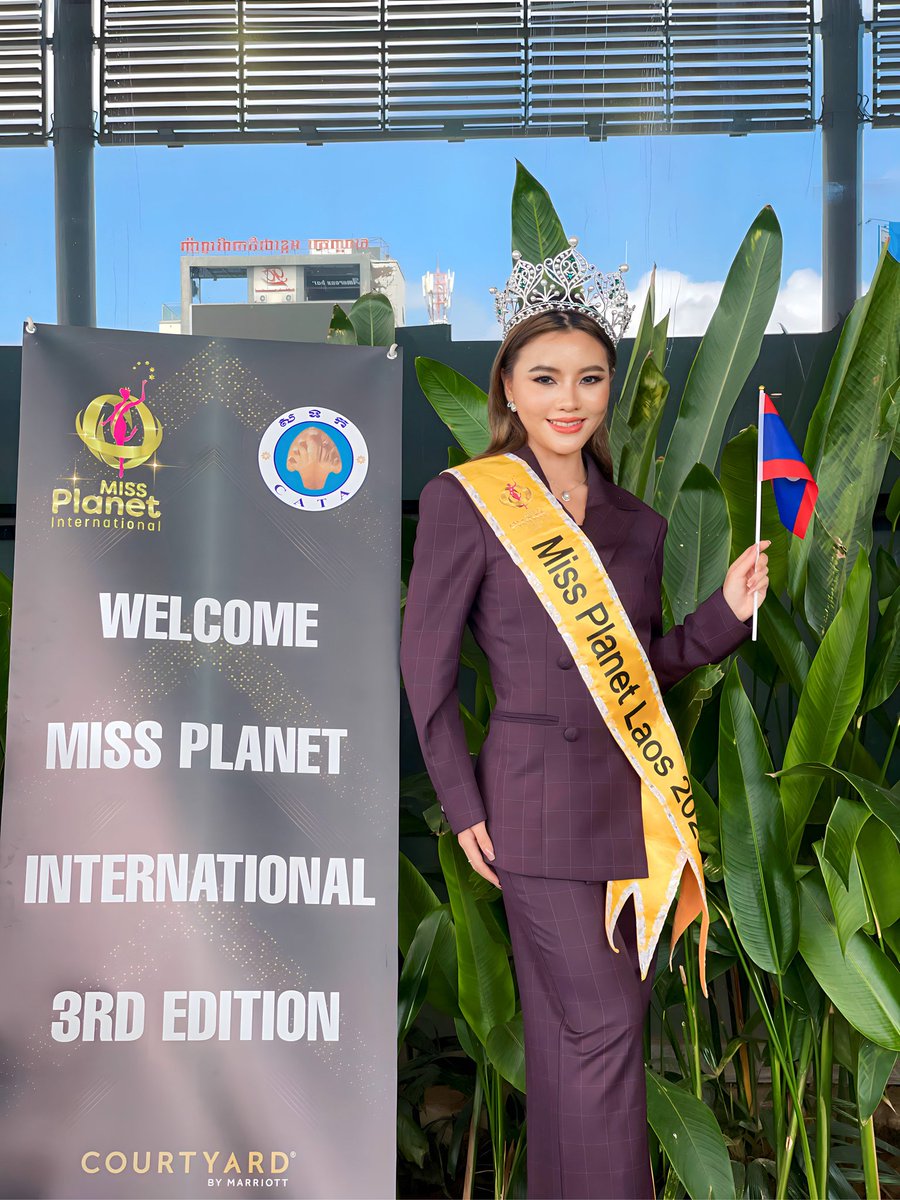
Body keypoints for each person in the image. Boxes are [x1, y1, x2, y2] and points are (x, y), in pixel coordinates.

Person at [399, 242, 770, 1200]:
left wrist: (724, 614)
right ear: (510, 389)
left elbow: (644, 671)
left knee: (579, 1051)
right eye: (546, 377)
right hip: (527, 813)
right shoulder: (468, 503)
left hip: (628, 818)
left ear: (610, 388)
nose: (570, 399)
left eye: (591, 378)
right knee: (604, 1037)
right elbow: (424, 663)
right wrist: (461, 799)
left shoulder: (639, 527)